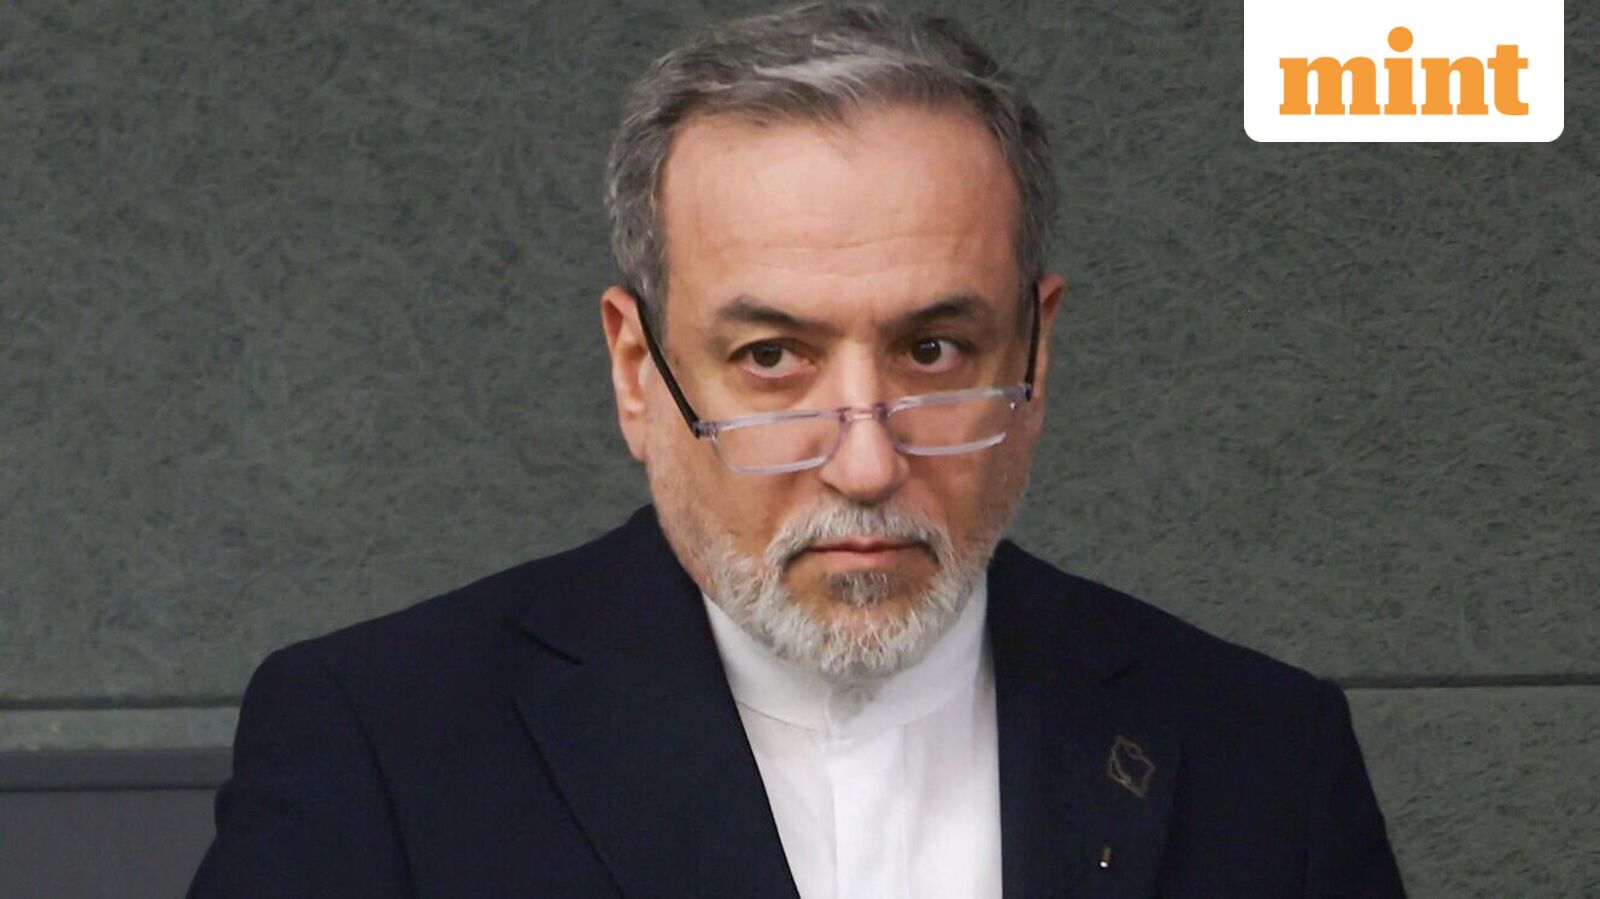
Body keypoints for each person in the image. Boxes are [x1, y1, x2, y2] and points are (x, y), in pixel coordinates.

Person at [190, 4, 1405, 897]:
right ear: (636, 370)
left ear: (1035, 353)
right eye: (772, 357)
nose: (864, 465)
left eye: (934, 350)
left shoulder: (1263, 754)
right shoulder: (383, 741)